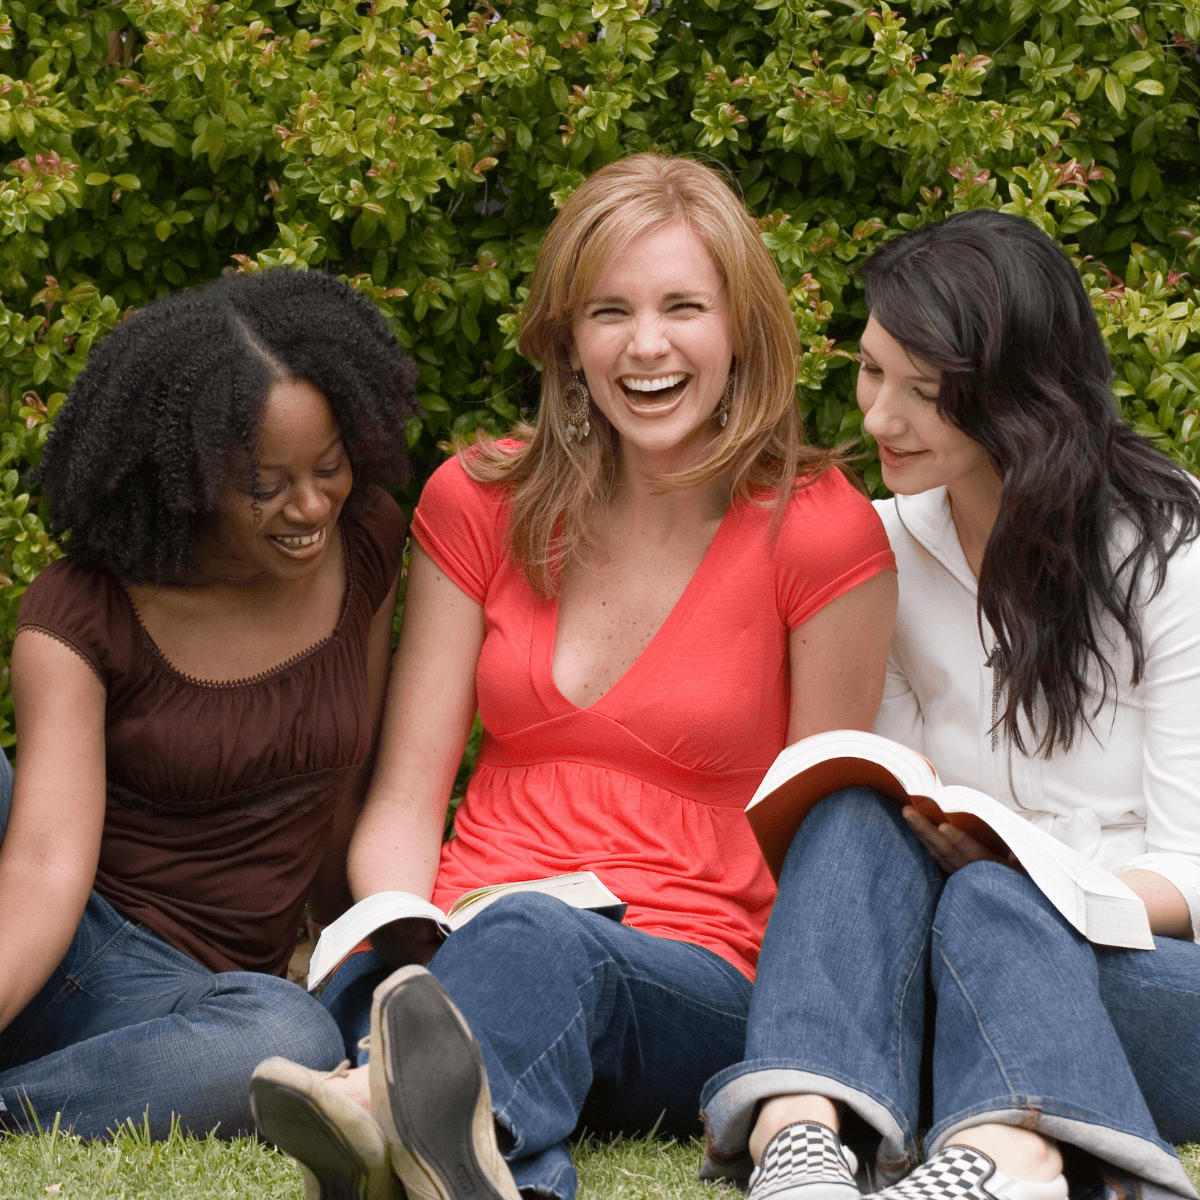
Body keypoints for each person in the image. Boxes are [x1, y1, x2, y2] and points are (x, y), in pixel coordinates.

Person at [248, 151, 899, 1200]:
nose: (647, 345)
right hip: (464, 937)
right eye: (610, 312)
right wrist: (404, 930)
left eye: (684, 306)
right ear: (567, 338)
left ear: (741, 328)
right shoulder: (475, 501)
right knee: (450, 966)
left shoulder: (820, 532)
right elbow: (409, 798)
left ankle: (390, 1107)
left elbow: (829, 851)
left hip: (697, 966)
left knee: (544, 944)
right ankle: (465, 1141)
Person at [699, 209, 1200, 1200]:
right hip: (944, 969)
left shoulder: (1170, 552)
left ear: (1021, 398)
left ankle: (1019, 1155)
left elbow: (1192, 865)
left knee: (992, 898)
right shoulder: (873, 545)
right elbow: (883, 806)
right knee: (845, 811)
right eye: (874, 371)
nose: (881, 417)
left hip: (1137, 973)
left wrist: (1044, 885)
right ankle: (801, 1142)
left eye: (925, 393)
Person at [0, 268, 418, 1139]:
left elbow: (345, 789)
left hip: (193, 997)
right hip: (56, 932)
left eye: (329, 466)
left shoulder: (366, 542)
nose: (311, 506)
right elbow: (41, 869)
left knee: (288, 1036)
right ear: (184, 479)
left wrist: (374, 955)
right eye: (266, 484)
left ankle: (24, 1103)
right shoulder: (82, 614)